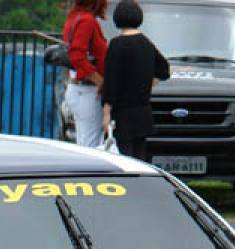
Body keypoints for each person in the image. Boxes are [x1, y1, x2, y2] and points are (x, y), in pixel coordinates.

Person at [100, 0, 170, 162]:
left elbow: (111, 82)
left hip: (123, 114)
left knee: (124, 159)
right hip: (143, 113)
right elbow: (164, 70)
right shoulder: (146, 43)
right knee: (140, 159)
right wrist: (149, 81)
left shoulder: (116, 45)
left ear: (117, 18)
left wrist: (106, 114)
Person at [63, 0, 109, 149]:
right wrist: (101, 81)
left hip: (78, 89)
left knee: (84, 143)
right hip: (88, 92)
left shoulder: (75, 17)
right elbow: (77, 56)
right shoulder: (87, 21)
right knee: (91, 146)